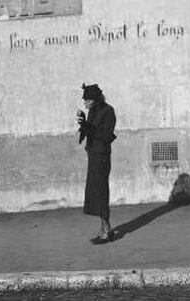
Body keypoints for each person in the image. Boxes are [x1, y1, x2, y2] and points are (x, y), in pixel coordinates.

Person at [76, 83, 117, 243]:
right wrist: (84, 122)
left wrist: (87, 126)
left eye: (87, 100)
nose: (85, 103)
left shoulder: (108, 111)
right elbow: (91, 131)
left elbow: (106, 135)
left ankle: (107, 230)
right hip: (93, 154)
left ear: (95, 99)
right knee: (95, 191)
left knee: (100, 191)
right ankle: (103, 229)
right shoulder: (94, 111)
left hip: (101, 155)